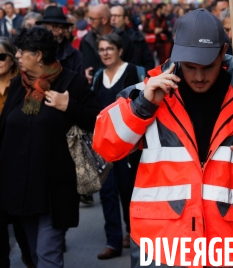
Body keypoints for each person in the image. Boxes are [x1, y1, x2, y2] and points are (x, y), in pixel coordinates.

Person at [93, 8, 233, 268]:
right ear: (177, 56)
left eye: (207, 66)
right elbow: (105, 145)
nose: (198, 76)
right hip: (161, 243)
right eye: (190, 66)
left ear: (223, 52)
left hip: (231, 244)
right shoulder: (148, 92)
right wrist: (141, 106)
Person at [0, 27, 100, 268]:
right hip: (20, 188)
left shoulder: (72, 82)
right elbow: (4, 129)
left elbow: (98, 119)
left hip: (55, 189)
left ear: (39, 55)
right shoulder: (18, 84)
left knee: (48, 255)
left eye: (23, 52)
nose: (18, 56)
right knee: (33, 255)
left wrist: (69, 106)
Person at [93, 34, 143, 260]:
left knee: (128, 190)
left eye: (109, 48)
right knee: (107, 192)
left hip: (129, 145)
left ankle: (132, 233)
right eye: (101, 49)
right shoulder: (97, 77)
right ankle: (112, 240)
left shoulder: (134, 72)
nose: (105, 53)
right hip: (104, 144)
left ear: (119, 50)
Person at [0, 38, 34, 268]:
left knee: (21, 219)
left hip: (17, 159)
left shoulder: (24, 85)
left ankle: (29, 256)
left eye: (1, 56)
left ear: (12, 58)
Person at [80, 4, 139, 80]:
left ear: (104, 20)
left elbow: (133, 66)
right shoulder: (86, 40)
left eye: (92, 19)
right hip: (91, 88)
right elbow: (80, 65)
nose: (89, 23)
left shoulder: (124, 39)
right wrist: (83, 73)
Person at [36, 6, 84, 75]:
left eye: (63, 27)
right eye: (55, 26)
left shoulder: (75, 56)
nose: (60, 31)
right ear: (44, 27)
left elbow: (80, 83)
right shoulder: (34, 52)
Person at [110, 5, 154, 70]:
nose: (113, 19)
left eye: (117, 16)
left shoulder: (136, 37)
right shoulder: (103, 37)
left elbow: (148, 62)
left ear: (126, 19)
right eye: (111, 16)